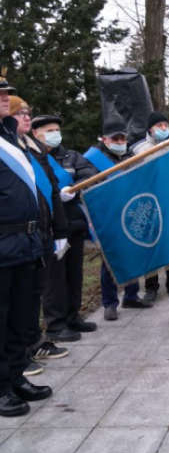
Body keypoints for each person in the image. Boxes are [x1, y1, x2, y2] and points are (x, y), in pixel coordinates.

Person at [0, 78, 53, 417]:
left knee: (20, 316)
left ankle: (14, 375)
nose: (5, 97)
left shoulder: (9, 138)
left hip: (23, 242)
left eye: (6, 93)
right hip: (2, 242)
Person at [9, 98, 72, 378]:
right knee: (19, 298)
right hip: (19, 235)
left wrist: (59, 231)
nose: (25, 117)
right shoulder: (12, 150)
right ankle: (20, 350)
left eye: (27, 113)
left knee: (34, 291)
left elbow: (51, 189)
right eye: (18, 113)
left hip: (41, 231)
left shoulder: (33, 150)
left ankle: (34, 340)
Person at [33, 114, 98, 342]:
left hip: (74, 223)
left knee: (74, 274)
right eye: (49, 130)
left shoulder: (71, 156)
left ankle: (73, 317)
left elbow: (89, 173)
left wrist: (74, 188)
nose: (55, 134)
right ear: (36, 134)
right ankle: (55, 325)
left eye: (57, 129)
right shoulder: (32, 157)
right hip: (51, 227)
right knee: (55, 279)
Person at [82, 119, 152, 320]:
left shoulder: (133, 158)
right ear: (104, 139)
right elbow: (87, 190)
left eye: (123, 138)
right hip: (106, 216)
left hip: (132, 212)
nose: (120, 141)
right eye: (116, 138)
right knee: (110, 260)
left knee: (133, 253)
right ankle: (109, 303)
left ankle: (131, 296)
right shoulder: (91, 161)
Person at [132, 111, 169, 302]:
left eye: (166, 126)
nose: (164, 129)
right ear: (151, 128)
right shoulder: (140, 149)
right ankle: (151, 287)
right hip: (148, 203)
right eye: (160, 126)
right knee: (151, 243)